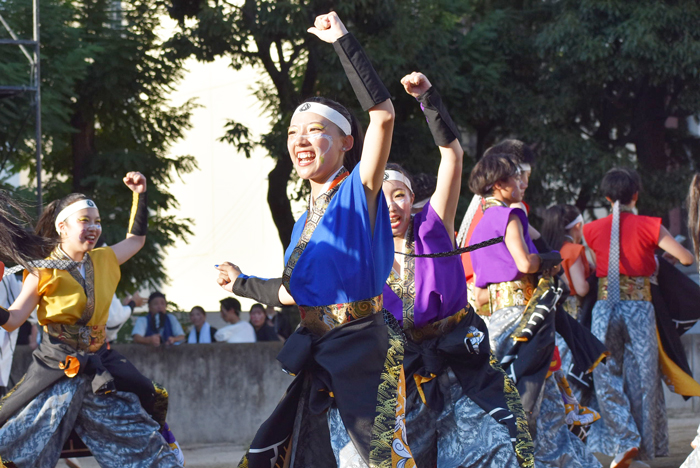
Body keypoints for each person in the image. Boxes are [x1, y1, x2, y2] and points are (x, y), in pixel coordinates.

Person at [215, 12, 399, 468]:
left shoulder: (360, 191)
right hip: (318, 353)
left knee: (376, 462)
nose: (301, 139)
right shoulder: (302, 223)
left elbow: (383, 115)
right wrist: (241, 283)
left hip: (359, 351)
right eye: (294, 132)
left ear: (345, 143)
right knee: (284, 453)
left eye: (316, 130)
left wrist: (342, 43)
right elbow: (287, 291)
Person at [382, 72, 533, 468]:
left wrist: (427, 99)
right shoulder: (363, 257)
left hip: (462, 365)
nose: (393, 205)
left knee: (495, 449)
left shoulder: (434, 226)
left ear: (413, 199)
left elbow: (452, 155)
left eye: (400, 195)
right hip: (407, 377)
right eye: (382, 198)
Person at [0, 173, 183, 467]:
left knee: (143, 439)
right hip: (55, 373)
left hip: (100, 371)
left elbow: (136, 240)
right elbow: (13, 320)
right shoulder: (42, 271)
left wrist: (140, 194)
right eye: (85, 220)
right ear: (62, 226)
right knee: (20, 447)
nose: (94, 227)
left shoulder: (104, 259)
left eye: (97, 221)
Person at [468, 153, 604, 468]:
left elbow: (481, 294)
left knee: (541, 403)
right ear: (499, 184)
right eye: (516, 177)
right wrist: (550, 259)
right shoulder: (510, 216)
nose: (522, 184)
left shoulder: (478, 225)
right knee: (535, 403)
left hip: (496, 320)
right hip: (526, 315)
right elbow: (524, 263)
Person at [583, 168, 694, 467]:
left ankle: (623, 439)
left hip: (605, 307)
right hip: (639, 307)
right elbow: (686, 258)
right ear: (635, 195)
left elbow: (597, 266)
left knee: (605, 376)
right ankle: (643, 451)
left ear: (606, 197)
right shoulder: (650, 225)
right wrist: (653, 257)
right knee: (644, 379)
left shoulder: (590, 230)